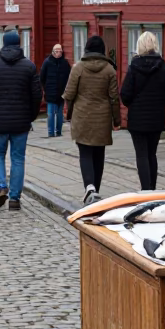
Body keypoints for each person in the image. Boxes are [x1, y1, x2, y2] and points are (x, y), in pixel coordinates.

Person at [0, 29, 42, 211]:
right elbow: (37, 95)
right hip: (21, 121)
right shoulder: (29, 66)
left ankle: (0, 187)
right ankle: (15, 198)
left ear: (3, 44)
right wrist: (31, 115)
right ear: (19, 43)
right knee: (18, 158)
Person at [63, 34, 120, 204]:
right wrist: (117, 120)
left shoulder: (78, 68)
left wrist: (69, 113)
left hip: (82, 116)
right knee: (99, 154)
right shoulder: (109, 70)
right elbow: (114, 98)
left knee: (85, 153)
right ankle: (96, 189)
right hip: (102, 117)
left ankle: (89, 188)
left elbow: (69, 94)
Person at [120, 31, 165, 190]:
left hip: (137, 119)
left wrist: (132, 104)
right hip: (156, 118)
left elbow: (125, 93)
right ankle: (152, 188)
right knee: (152, 153)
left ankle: (146, 189)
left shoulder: (133, 67)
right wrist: (162, 102)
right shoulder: (163, 67)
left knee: (141, 154)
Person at [39, 43, 71, 138]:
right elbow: (42, 77)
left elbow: (69, 77)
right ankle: (51, 132)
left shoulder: (65, 63)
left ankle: (58, 131)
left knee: (60, 114)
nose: (58, 53)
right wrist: (45, 88)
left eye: (60, 51)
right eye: (56, 51)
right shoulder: (47, 62)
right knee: (51, 114)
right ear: (52, 52)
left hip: (61, 92)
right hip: (50, 92)